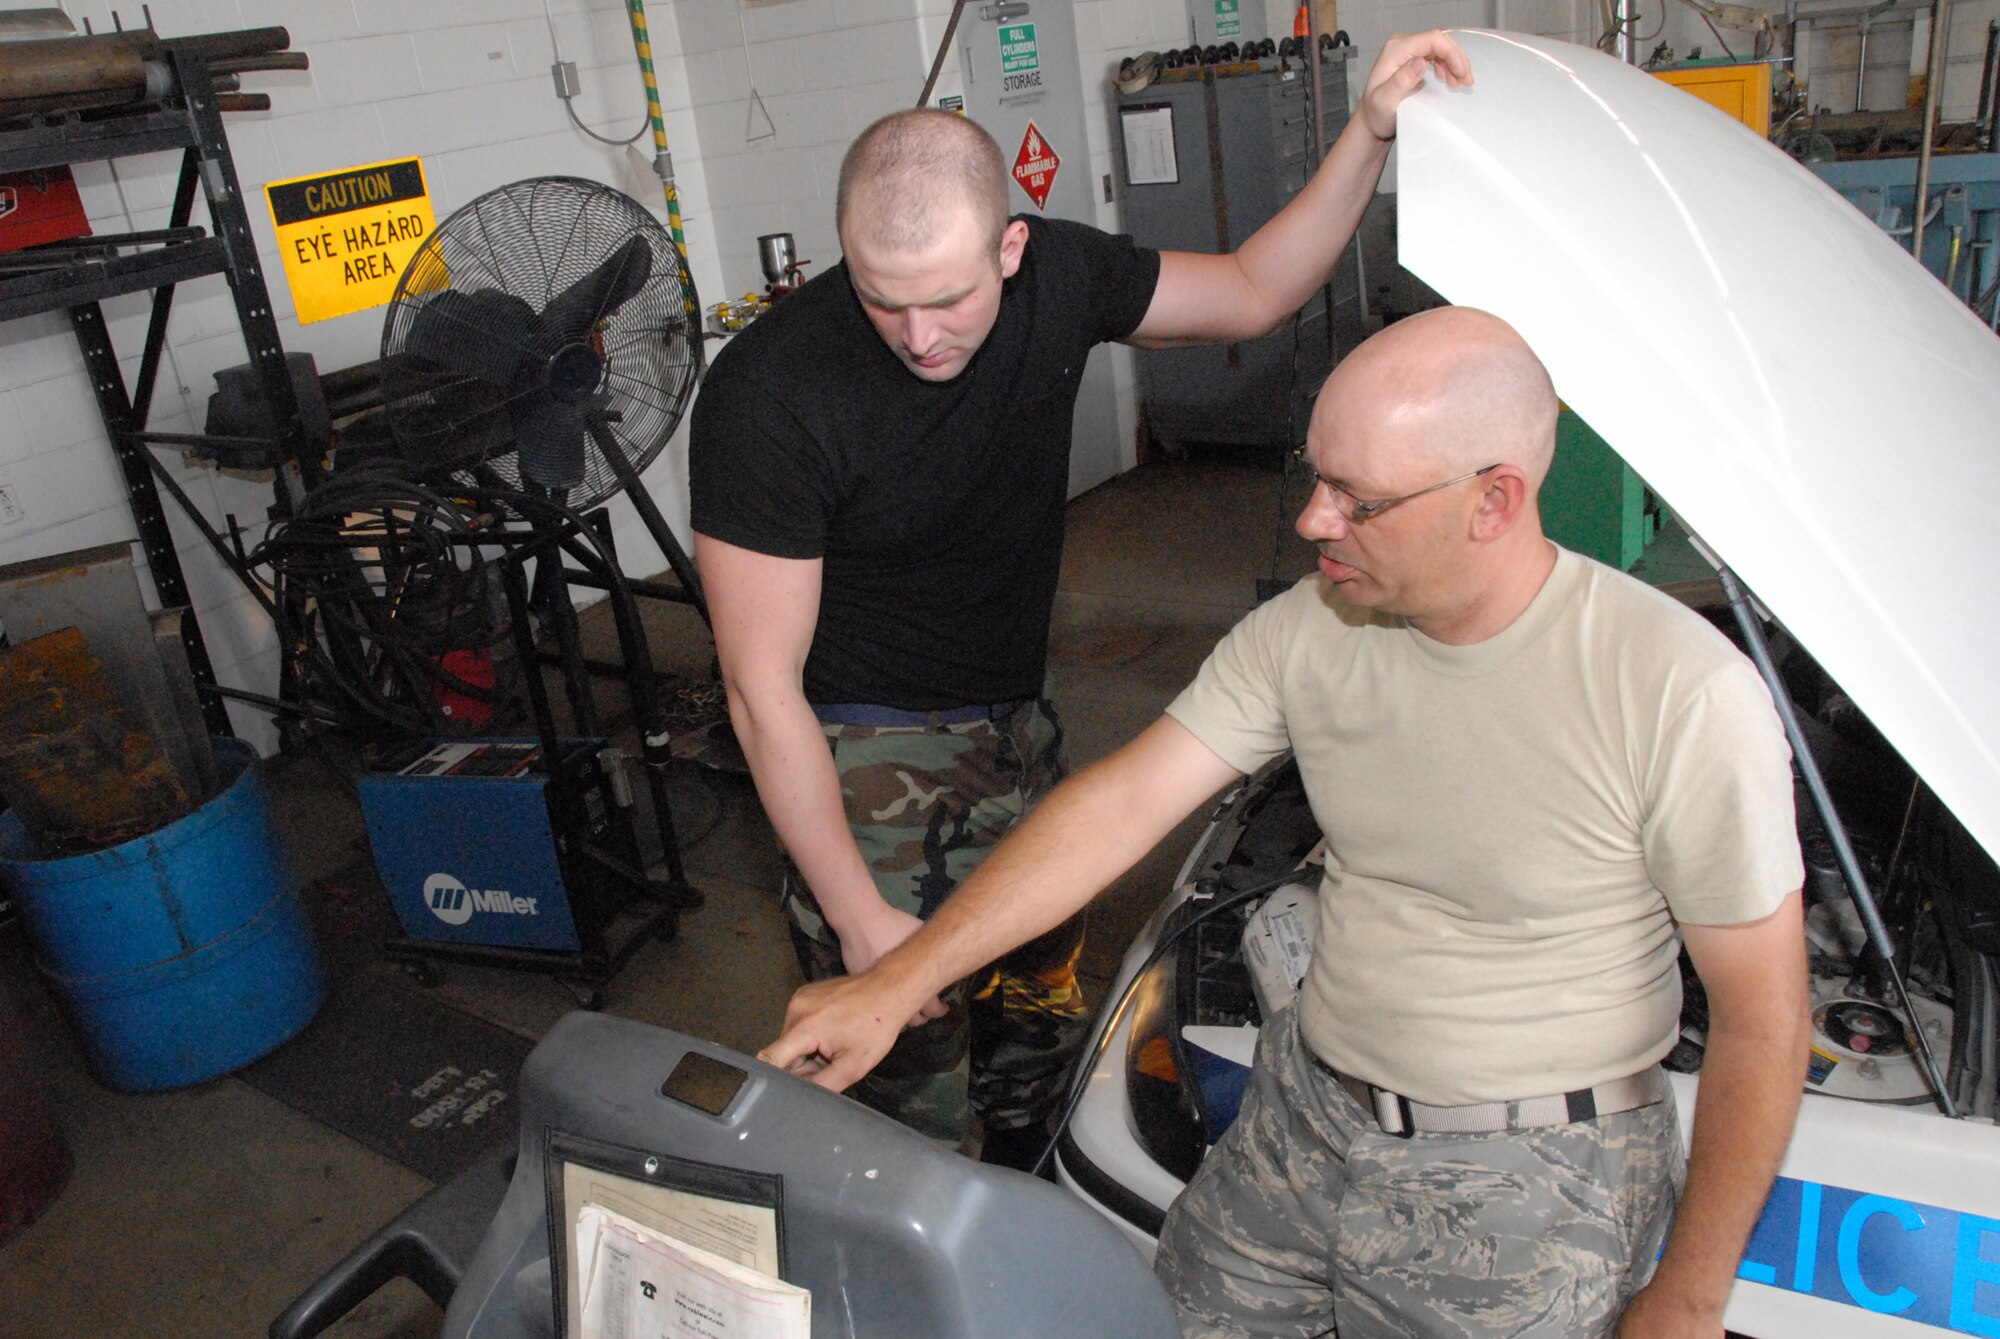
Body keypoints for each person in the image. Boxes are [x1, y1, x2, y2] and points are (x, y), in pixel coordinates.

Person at [760, 307, 1810, 1337]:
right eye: (1315, 477)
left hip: (1526, 1175)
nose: (1314, 520)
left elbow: (1762, 1020)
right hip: (1309, 1103)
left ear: (1493, 500)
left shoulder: (1675, 693)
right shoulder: (1314, 625)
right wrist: (897, 979)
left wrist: (1686, 1294)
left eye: (1357, 499)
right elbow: (1124, 801)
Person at [690, 33, 1473, 1165]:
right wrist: (862, 916)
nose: (920, 337)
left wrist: (1368, 130)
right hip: (861, 761)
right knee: (899, 1103)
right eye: (881, 300)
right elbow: (760, 693)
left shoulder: (1056, 275)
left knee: (1039, 1046)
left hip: (1022, 725)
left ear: (1009, 248)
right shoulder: (769, 394)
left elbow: (1252, 288)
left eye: (950, 298)